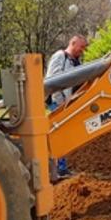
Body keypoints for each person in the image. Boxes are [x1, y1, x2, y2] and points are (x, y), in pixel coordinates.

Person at [45, 35, 88, 178]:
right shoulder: (60, 56)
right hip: (58, 102)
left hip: (68, 102)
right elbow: (53, 81)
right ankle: (58, 169)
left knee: (65, 134)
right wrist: (61, 103)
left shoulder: (75, 61)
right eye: (81, 47)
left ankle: (61, 167)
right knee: (59, 133)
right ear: (73, 43)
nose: (82, 50)